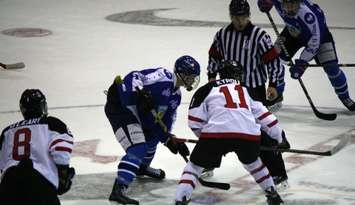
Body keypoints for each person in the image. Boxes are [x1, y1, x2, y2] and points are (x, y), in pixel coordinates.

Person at [175, 60, 286, 205]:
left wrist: (205, 139)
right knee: (255, 164)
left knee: (194, 167)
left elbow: (194, 120)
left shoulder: (207, 88)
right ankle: (273, 196)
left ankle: (180, 200)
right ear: (239, 75)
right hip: (248, 136)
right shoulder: (247, 90)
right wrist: (280, 139)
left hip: (215, 135)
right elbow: (266, 118)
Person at [206, 0, 288, 186]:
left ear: (248, 16)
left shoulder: (259, 36)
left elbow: (273, 62)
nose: (240, 21)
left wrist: (273, 84)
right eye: (236, 17)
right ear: (231, 16)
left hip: (253, 91)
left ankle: (278, 172)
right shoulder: (222, 35)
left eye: (243, 17)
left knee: (259, 131)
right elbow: (214, 56)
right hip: (228, 90)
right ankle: (207, 162)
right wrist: (212, 76)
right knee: (219, 125)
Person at [104, 55, 201, 204]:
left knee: (152, 138)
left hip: (140, 115)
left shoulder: (176, 96)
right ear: (181, 73)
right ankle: (118, 189)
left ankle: (141, 167)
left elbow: (162, 123)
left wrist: (169, 139)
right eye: (191, 76)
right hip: (121, 108)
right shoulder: (163, 76)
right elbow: (133, 76)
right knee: (138, 148)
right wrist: (140, 91)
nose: (193, 80)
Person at [257, 0, 355, 111]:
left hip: (319, 37)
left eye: (293, 4)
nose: (289, 9)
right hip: (292, 31)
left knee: (331, 68)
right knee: (275, 60)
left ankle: (345, 97)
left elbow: (314, 44)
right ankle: (276, 94)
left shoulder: (309, 16)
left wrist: (301, 63)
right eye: (286, 4)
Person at [0, 89, 75, 205]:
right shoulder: (52, 124)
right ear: (42, 106)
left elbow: (2, 164)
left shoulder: (7, 131)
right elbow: (61, 152)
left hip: (9, 185)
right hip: (40, 185)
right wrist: (63, 176)